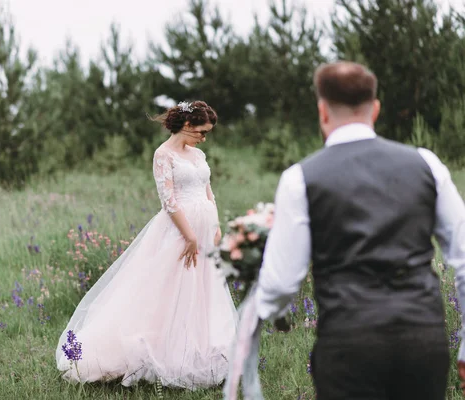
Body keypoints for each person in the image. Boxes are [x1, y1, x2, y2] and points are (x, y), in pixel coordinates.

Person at [253, 61, 465, 399]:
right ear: (376, 109)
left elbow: (281, 281)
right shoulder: (427, 164)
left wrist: (266, 316)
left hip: (349, 343)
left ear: (322, 111)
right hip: (422, 339)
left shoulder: (300, 178)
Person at [56, 100, 238, 389]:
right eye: (202, 132)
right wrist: (190, 236)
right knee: (169, 290)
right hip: (179, 231)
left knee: (202, 290)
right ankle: (154, 353)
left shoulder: (198, 154)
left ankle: (198, 351)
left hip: (205, 231)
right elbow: (168, 201)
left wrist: (214, 228)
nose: (205, 138)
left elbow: (208, 191)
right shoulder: (163, 155)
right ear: (188, 125)